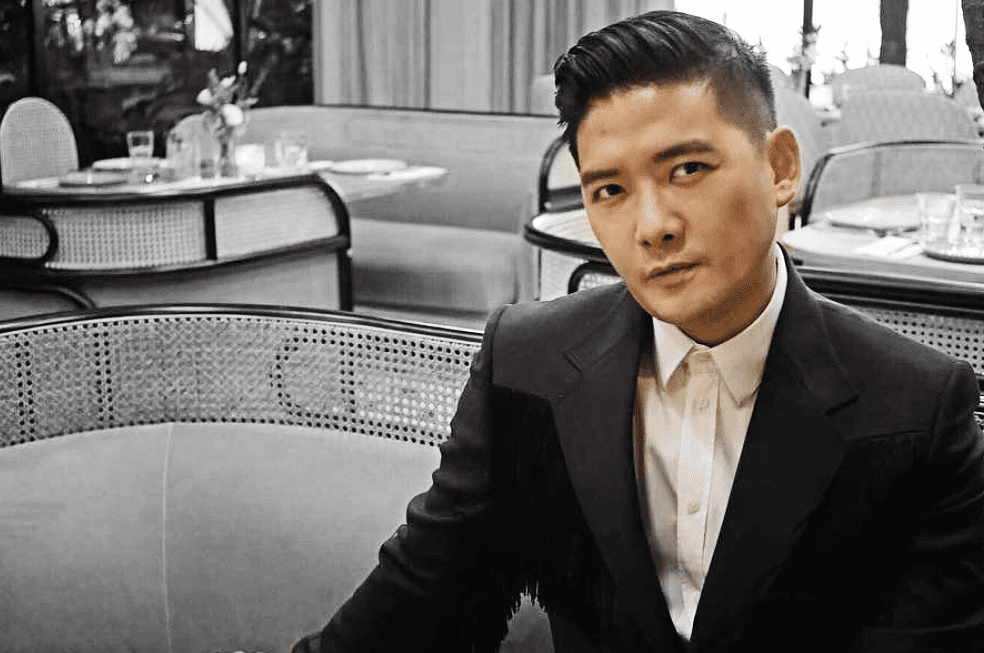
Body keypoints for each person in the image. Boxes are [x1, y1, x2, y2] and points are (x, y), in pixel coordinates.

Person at [292, 10, 984, 652]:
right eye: (610, 191)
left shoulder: (917, 407)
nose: (652, 226)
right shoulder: (530, 361)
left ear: (779, 168)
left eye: (688, 169)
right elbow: (424, 598)